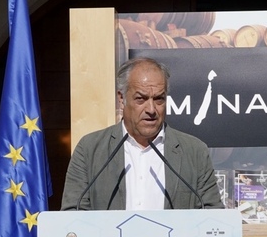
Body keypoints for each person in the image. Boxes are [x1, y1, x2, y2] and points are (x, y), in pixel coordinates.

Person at [61, 57, 223, 210]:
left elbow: (211, 214)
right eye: (141, 99)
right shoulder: (90, 149)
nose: (151, 109)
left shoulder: (194, 151)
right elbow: (73, 214)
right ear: (121, 98)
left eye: (159, 99)